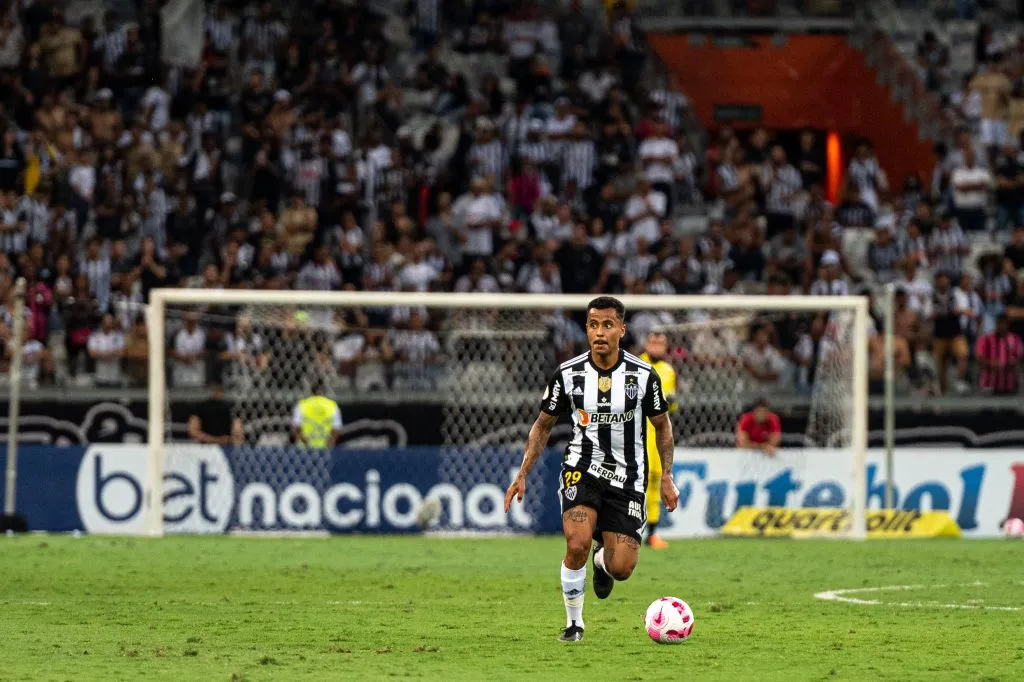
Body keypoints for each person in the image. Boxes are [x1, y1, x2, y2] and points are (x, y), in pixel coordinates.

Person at [503, 296, 679, 643]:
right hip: (581, 468)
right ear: (586, 329)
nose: (599, 332)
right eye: (593, 325)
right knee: (577, 543)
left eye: (608, 325)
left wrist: (668, 476)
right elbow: (542, 425)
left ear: (622, 330)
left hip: (628, 477)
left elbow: (663, 425)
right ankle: (574, 624)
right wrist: (523, 471)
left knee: (622, 568)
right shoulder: (568, 374)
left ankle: (602, 562)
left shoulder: (644, 376)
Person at [638, 330, 677, 550]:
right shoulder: (635, 364)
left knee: (655, 482)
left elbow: (671, 407)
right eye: (652, 342)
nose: (656, 346)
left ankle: (651, 534)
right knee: (633, 484)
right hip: (634, 432)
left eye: (660, 343)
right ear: (646, 343)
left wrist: (671, 402)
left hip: (656, 435)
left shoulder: (668, 371)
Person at [291, 377, 342, 449]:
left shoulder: (302, 404)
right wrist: (329, 445)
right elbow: (337, 429)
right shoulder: (332, 405)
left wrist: (304, 443)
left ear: (311, 391)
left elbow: (296, 428)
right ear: (324, 391)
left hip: (305, 447)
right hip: (324, 447)